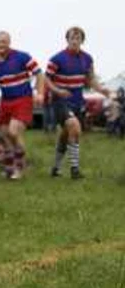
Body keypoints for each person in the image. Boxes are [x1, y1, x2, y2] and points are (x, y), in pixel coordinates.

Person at [45, 26, 111, 179]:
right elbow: (46, 79)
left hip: (77, 101)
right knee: (74, 127)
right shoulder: (56, 59)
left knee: (66, 134)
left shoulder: (87, 59)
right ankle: (75, 170)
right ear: (67, 39)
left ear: (82, 40)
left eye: (78, 38)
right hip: (60, 101)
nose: (75, 41)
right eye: (72, 38)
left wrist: (102, 90)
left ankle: (56, 168)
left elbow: (90, 79)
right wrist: (57, 91)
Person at [0, 31, 44, 180]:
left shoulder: (22, 57)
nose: (1, 45)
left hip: (23, 98)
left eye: (4, 42)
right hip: (6, 100)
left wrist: (39, 93)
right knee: (3, 135)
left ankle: (20, 167)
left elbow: (39, 74)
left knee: (14, 132)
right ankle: (9, 168)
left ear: (9, 42)